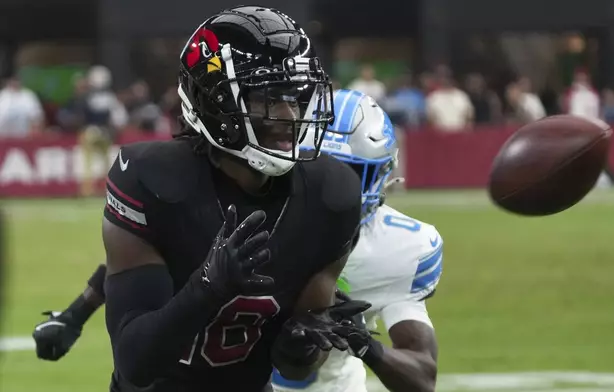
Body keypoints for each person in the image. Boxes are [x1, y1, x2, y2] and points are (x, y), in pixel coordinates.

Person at [33, 7, 370, 392]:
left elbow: (295, 370)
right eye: (267, 98)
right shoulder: (152, 180)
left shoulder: (332, 195)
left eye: (295, 96)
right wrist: (207, 288)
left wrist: (304, 343)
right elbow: (135, 365)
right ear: (214, 102)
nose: (288, 113)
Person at [273, 89, 441, 392]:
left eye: (352, 173)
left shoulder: (401, 248)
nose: (334, 188)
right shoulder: (241, 220)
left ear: (382, 174)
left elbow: (422, 378)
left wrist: (362, 342)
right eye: (320, 167)